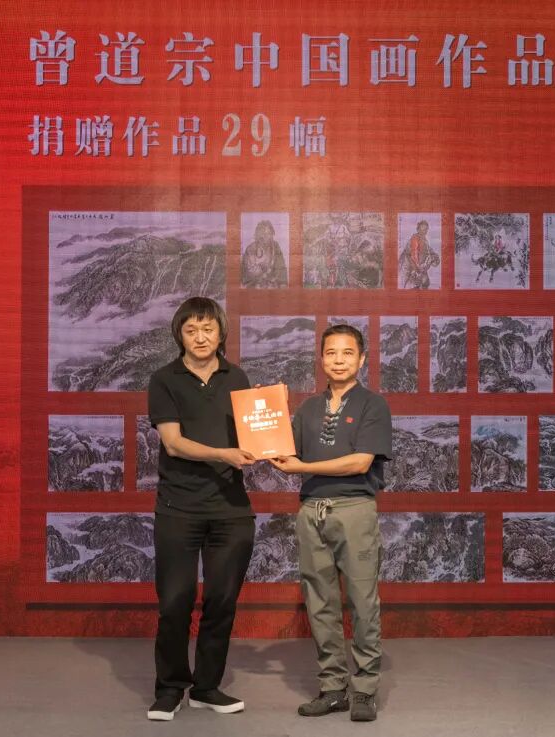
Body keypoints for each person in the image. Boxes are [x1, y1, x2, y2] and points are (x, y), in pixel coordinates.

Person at [270, 324, 393, 723]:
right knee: (320, 602)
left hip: (354, 509)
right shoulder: (308, 408)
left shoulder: (373, 405)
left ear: (362, 359)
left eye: (347, 353)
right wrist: (266, 419)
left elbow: (360, 463)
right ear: (321, 358)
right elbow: (283, 452)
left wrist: (301, 467)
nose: (339, 360)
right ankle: (333, 687)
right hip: (311, 511)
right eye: (331, 353)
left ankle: (365, 688)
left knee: (362, 602)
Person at [145, 297, 256, 721]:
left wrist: (271, 440)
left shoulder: (237, 377)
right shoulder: (164, 379)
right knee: (175, 601)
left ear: (221, 332)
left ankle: (207, 686)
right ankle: (170, 686)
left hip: (231, 509)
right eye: (191, 330)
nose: (200, 337)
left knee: (222, 601)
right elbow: (173, 443)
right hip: (179, 508)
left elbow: (253, 434)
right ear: (179, 335)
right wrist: (223, 455)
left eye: (208, 328)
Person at [241, 219, 288, 289]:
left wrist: (282, 283)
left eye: (269, 233)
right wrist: (263, 279)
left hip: (273, 285)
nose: (267, 236)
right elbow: (250, 272)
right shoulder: (251, 249)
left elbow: (281, 267)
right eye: (264, 233)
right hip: (254, 285)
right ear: (258, 235)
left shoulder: (275, 246)